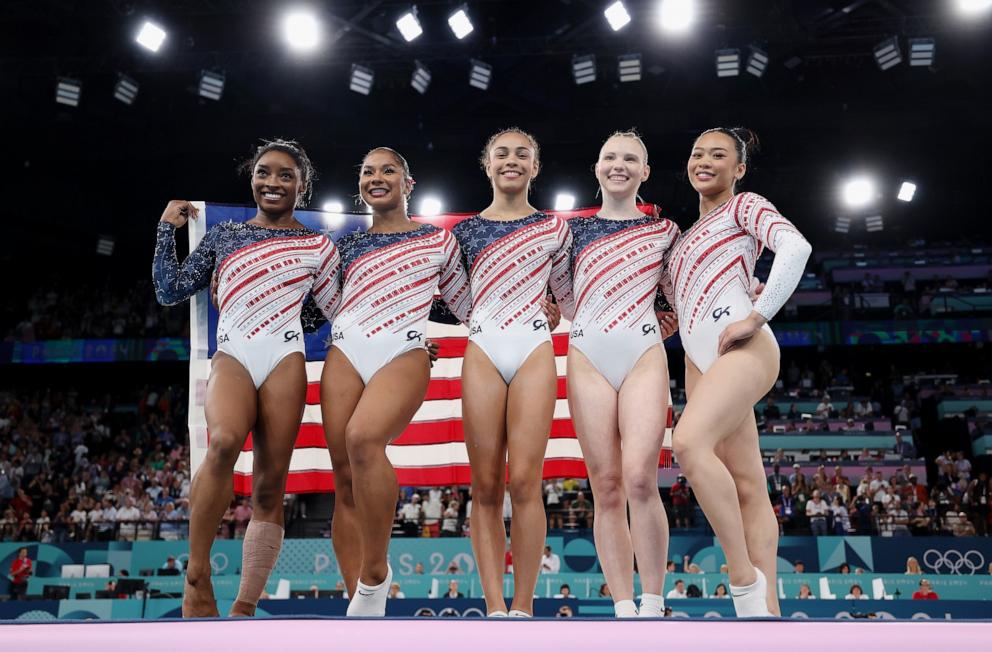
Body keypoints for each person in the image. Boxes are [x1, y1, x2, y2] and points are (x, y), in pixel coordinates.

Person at [152, 139, 341, 617]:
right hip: (233, 352)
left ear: (303, 185)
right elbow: (170, 289)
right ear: (251, 178)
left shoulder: (318, 245)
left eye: (285, 175)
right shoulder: (225, 235)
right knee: (223, 443)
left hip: (285, 358)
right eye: (264, 173)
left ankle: (244, 605)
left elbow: (335, 309)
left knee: (269, 486)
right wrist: (164, 231)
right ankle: (197, 573)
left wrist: (289, 322)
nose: (272, 183)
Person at [665, 127, 812, 618]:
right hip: (698, 360)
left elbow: (795, 249)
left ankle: (743, 578)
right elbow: (682, 303)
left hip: (743, 348)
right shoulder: (684, 239)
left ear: (739, 169)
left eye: (718, 155)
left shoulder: (743, 206)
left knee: (687, 443)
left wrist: (758, 314)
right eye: (697, 153)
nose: (704, 161)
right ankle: (767, 612)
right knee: (749, 484)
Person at [321, 147, 473, 617]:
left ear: (408, 185)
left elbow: (467, 306)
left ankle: (375, 573)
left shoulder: (437, 242)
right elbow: (318, 308)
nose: (377, 177)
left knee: (363, 439)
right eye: (367, 171)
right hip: (346, 350)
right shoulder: (343, 247)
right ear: (360, 185)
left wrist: (539, 305)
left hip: (404, 350)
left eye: (388, 170)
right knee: (344, 479)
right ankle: (360, 605)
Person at [451, 128, 571, 618]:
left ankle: (523, 606)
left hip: (533, 349)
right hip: (483, 347)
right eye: (502, 153)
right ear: (487, 163)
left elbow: (568, 293)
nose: (512, 160)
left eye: (523, 153)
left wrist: (556, 310)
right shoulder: (462, 232)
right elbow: (453, 300)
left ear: (535, 167)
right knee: (484, 486)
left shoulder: (555, 230)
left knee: (524, 481)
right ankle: (495, 606)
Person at [558, 131, 679, 618]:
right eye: (610, 157)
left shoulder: (664, 231)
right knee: (605, 485)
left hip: (643, 355)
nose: (619, 165)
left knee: (640, 480)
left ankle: (653, 601)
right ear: (597, 167)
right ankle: (623, 607)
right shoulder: (569, 233)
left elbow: (679, 293)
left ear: (645, 172)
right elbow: (563, 297)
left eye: (631, 159)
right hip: (588, 354)